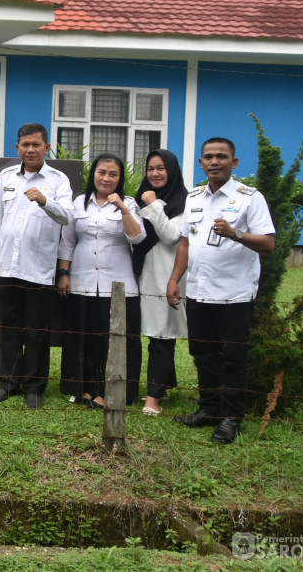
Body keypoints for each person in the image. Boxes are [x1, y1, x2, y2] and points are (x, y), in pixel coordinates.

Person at [167, 137, 275, 444]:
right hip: (199, 291)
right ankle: (209, 409)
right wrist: (175, 279)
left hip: (234, 294)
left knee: (232, 358)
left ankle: (231, 418)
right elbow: (186, 242)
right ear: (201, 163)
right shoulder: (195, 197)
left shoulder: (249, 198)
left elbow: (268, 243)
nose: (215, 162)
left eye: (221, 157)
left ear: (234, 162)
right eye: (209, 157)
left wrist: (236, 233)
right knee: (202, 354)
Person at [0, 122, 73, 409]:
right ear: (17, 148)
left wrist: (45, 201)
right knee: (10, 328)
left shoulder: (58, 181)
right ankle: (8, 383)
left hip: (40, 269)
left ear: (46, 148)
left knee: (36, 331)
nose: (30, 149)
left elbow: (68, 218)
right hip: (8, 266)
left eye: (36, 145)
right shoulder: (7, 177)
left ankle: (35, 387)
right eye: (25, 145)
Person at [56, 154, 145, 409]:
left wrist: (124, 209)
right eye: (101, 172)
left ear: (120, 178)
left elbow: (137, 237)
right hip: (83, 280)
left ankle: (109, 392)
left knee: (114, 339)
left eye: (113, 174)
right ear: (93, 174)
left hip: (118, 285)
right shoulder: (79, 203)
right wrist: (64, 274)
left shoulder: (129, 203)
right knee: (85, 337)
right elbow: (68, 241)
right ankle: (83, 388)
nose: (106, 178)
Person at [132, 149, 189, 416]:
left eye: (161, 168)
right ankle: (163, 385)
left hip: (167, 276)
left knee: (161, 334)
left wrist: (154, 206)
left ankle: (153, 397)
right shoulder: (137, 199)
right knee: (148, 331)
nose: (155, 173)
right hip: (140, 274)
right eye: (151, 168)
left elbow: (171, 236)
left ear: (172, 171)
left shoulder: (182, 202)